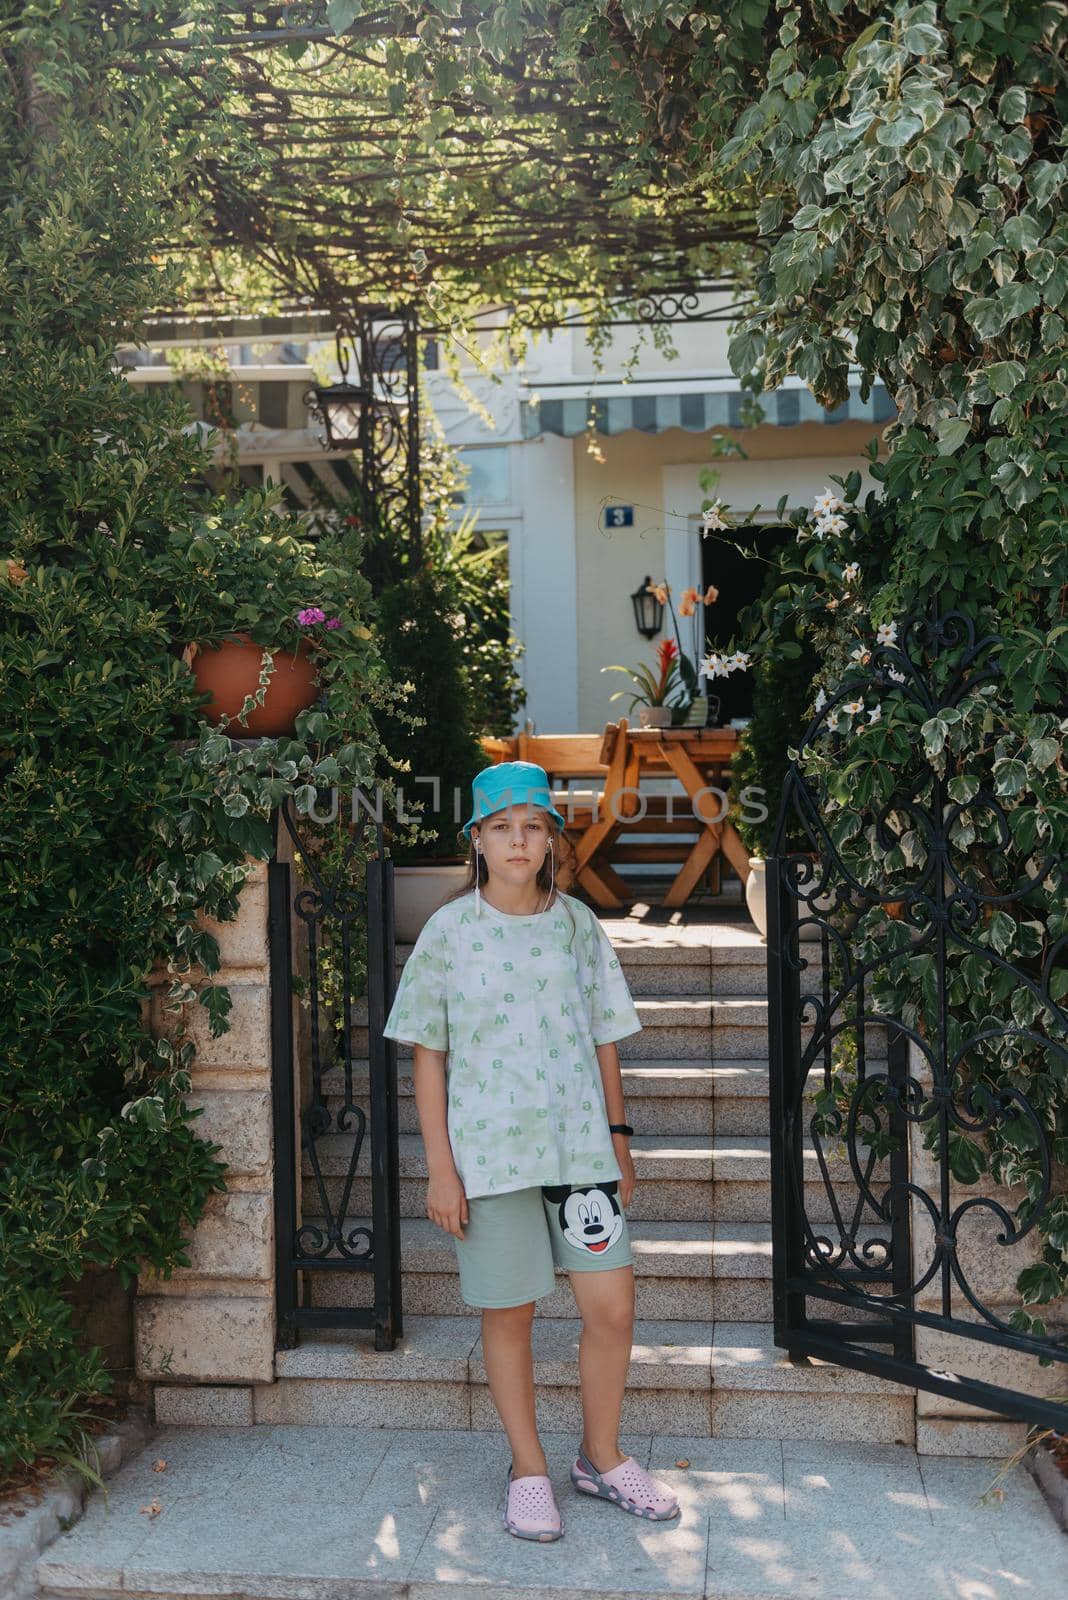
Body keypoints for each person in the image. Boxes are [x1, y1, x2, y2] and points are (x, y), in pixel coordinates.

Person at [383, 760, 680, 1541]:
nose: (519, 840)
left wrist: (619, 1137)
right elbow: (427, 1055)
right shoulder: (449, 932)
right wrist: (440, 1168)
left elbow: (606, 1035)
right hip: (489, 1162)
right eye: (502, 827)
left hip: (580, 1154)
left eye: (534, 827)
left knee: (611, 1308)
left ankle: (602, 1456)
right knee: (508, 1314)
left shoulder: (579, 925)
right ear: (477, 840)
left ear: (551, 841)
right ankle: (529, 1470)